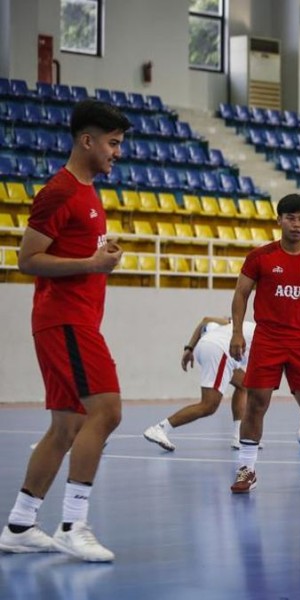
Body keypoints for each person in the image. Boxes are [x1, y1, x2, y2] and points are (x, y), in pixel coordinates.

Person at [0, 100, 130, 563]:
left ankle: (19, 523)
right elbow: (26, 259)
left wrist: (100, 259)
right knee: (108, 411)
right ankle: (74, 524)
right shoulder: (60, 190)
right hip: (64, 319)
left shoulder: (90, 192)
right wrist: (91, 263)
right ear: (86, 141)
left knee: (67, 425)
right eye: (112, 144)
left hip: (75, 319)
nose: (117, 152)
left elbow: (77, 253)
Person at [228, 193, 300, 494]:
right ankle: (246, 469)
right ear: (279, 220)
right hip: (268, 339)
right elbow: (241, 294)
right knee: (256, 403)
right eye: (290, 218)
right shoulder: (260, 257)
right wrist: (237, 332)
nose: (296, 224)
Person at [143, 317, 257, 451]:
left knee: (243, 385)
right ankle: (160, 428)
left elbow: (205, 321)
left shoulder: (244, 325)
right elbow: (206, 319)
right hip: (219, 350)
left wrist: (190, 348)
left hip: (209, 347)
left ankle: (239, 437)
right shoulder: (267, 335)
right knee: (209, 405)